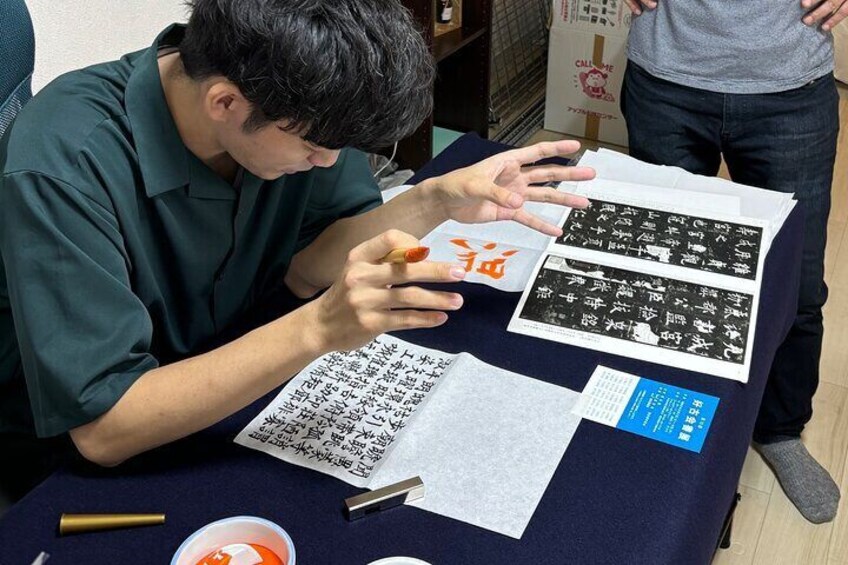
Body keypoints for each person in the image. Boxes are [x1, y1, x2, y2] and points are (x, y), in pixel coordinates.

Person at [0, 0, 594, 501]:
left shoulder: (298, 99)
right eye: (314, 147)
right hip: (94, 455)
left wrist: (434, 199)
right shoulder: (65, 159)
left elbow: (308, 268)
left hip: (237, 366)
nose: (328, 162)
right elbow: (104, 429)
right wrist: (319, 329)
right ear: (224, 103)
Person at [621, 0, 843, 522]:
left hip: (792, 87)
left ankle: (780, 430)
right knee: (662, 274)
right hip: (665, 76)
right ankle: (665, 419)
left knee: (796, 284)